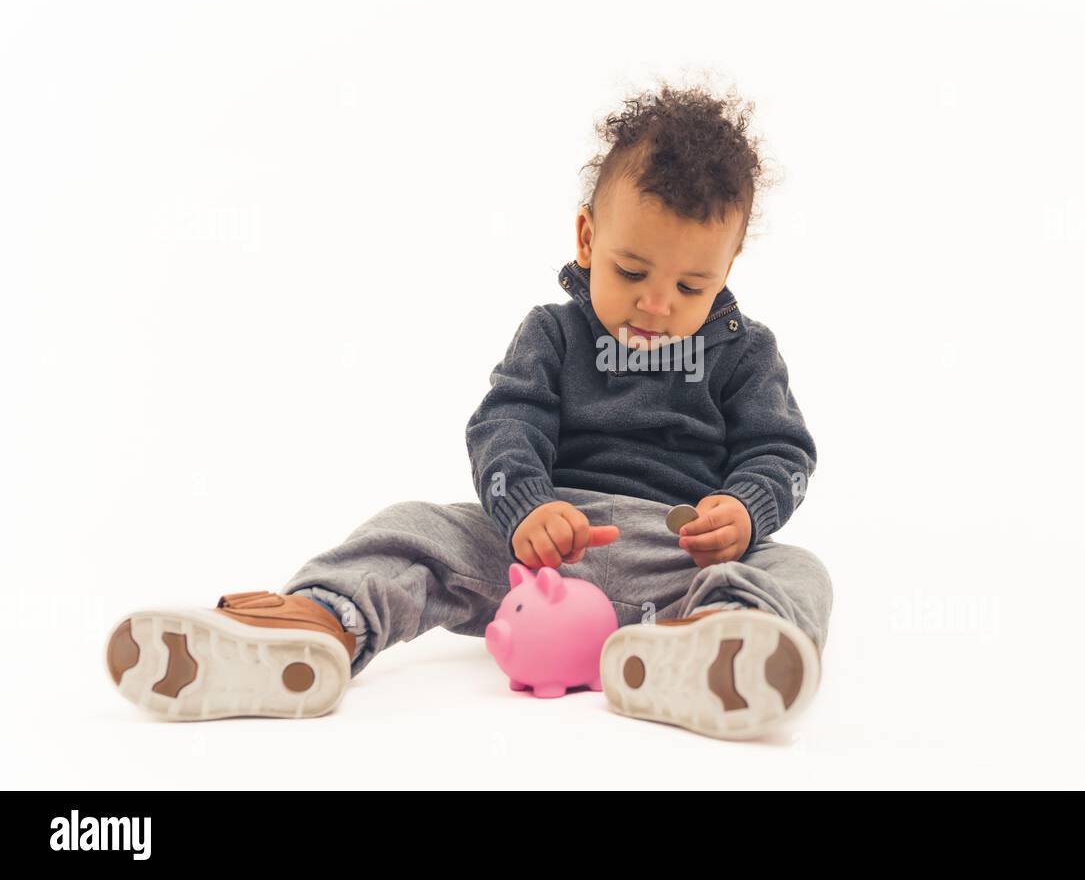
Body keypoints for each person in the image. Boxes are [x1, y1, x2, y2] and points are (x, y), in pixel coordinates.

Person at [104, 81, 832, 740]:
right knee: (415, 527)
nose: (656, 303)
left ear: (727, 272)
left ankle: (719, 643)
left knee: (799, 570)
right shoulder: (554, 333)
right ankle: (322, 622)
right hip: (545, 548)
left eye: (690, 285)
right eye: (631, 271)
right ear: (587, 239)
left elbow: (781, 453)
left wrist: (744, 510)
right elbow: (505, 424)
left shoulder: (744, 354)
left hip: (677, 558)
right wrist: (526, 509)